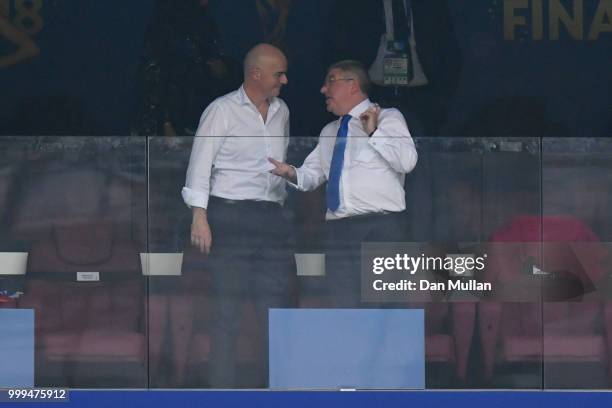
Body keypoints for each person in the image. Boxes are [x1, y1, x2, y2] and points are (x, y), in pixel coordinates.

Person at [182, 43, 294, 388]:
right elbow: (200, 164)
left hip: (271, 218)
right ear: (255, 74)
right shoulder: (222, 110)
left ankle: (273, 390)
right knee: (227, 311)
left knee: (274, 309)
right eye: (279, 74)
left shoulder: (282, 111)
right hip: (230, 217)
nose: (285, 80)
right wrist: (199, 217)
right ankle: (223, 392)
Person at [269, 60, 417, 306]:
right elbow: (312, 175)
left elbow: (407, 162)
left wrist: (374, 133)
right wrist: (289, 173)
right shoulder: (329, 131)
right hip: (339, 231)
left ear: (352, 85)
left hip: (380, 228)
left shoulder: (388, 117)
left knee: (382, 310)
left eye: (330, 81)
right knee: (342, 306)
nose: (323, 90)